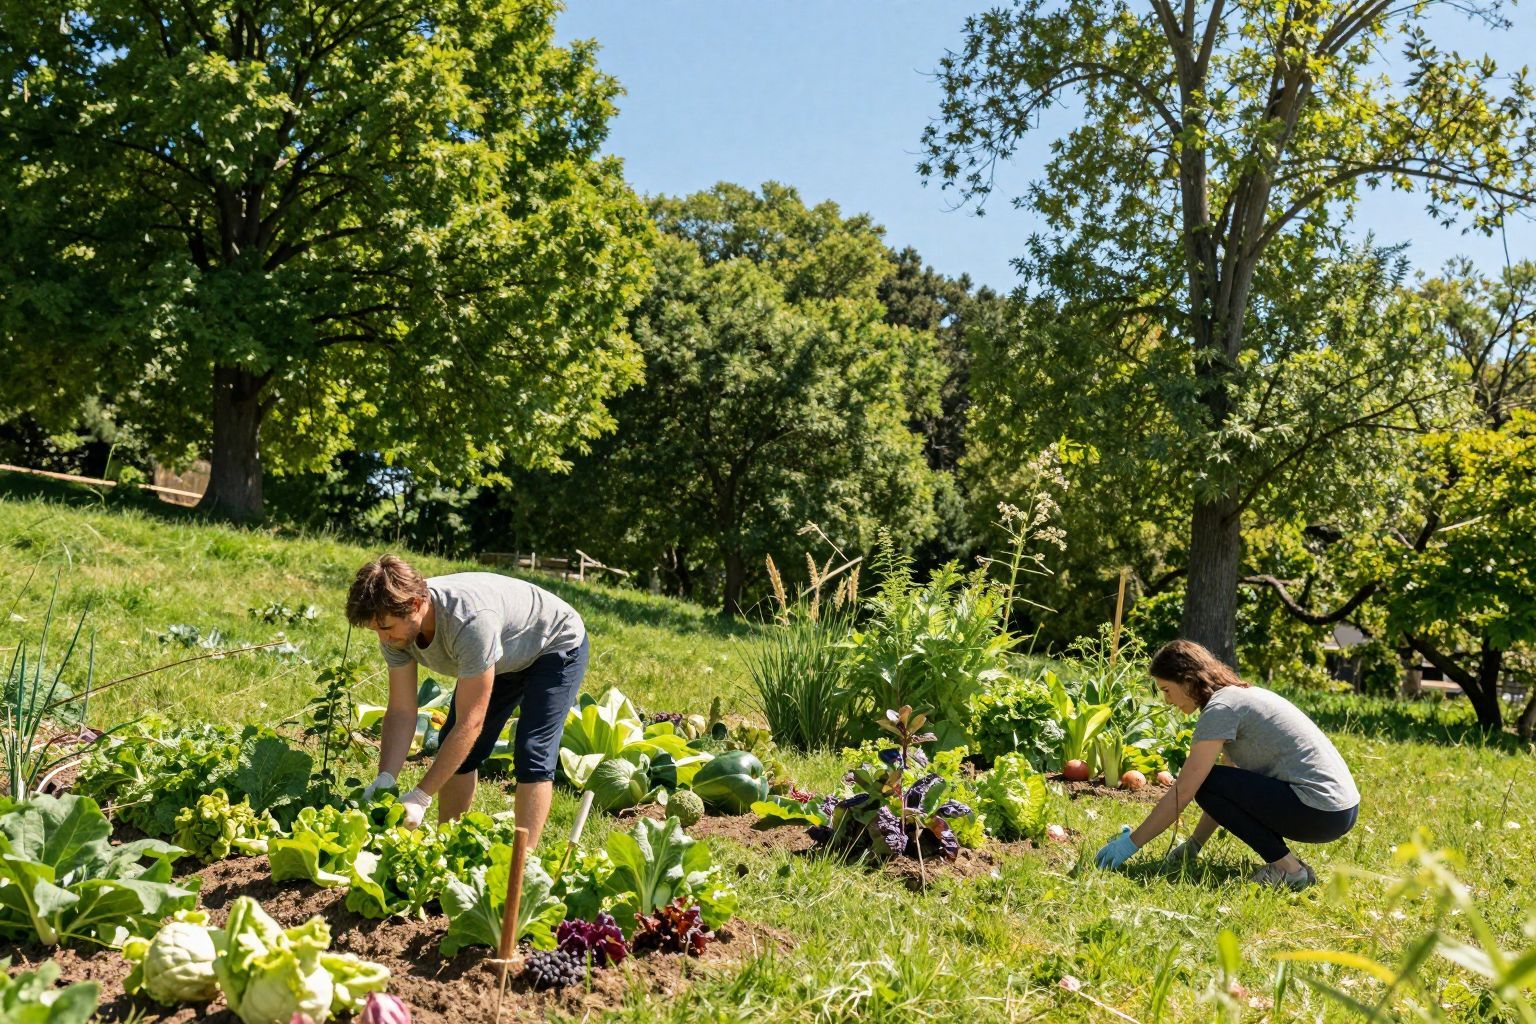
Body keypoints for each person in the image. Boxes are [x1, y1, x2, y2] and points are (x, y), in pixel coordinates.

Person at [344, 554, 588, 848]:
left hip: (553, 643)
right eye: (376, 630)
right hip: (503, 653)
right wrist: (386, 778)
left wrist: (421, 796)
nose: (383, 639)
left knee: (532, 750)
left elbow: (471, 724)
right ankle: (448, 846)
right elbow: (401, 710)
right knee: (454, 745)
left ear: (416, 605)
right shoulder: (396, 629)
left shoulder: (468, 621)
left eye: (386, 628)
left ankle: (523, 865)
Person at [1093, 639, 1360, 889]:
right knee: (1214, 782)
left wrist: (1129, 845)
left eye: (1166, 690)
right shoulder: (1236, 697)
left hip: (1319, 810)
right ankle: (1288, 866)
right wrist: (1195, 844)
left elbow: (1184, 790)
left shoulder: (1221, 709)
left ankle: (1289, 870)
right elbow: (1228, 790)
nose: (1167, 701)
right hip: (1339, 811)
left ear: (1187, 681)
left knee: (1205, 781)